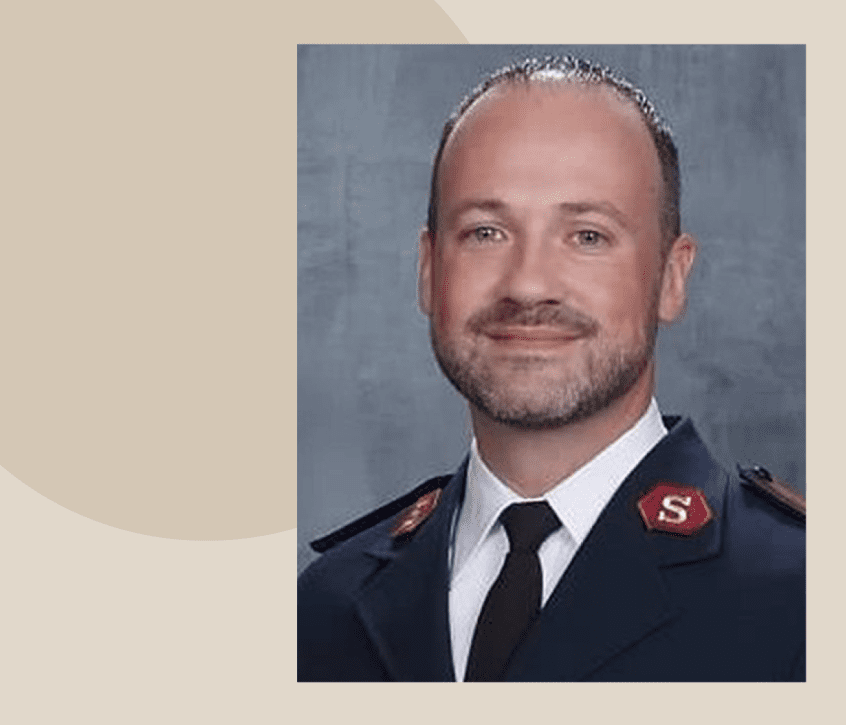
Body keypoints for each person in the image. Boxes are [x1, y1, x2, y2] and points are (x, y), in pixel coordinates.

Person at [297, 56, 805, 682]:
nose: (529, 284)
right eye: (485, 232)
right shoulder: (325, 607)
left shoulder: (803, 595)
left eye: (587, 236)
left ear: (672, 279)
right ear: (429, 270)